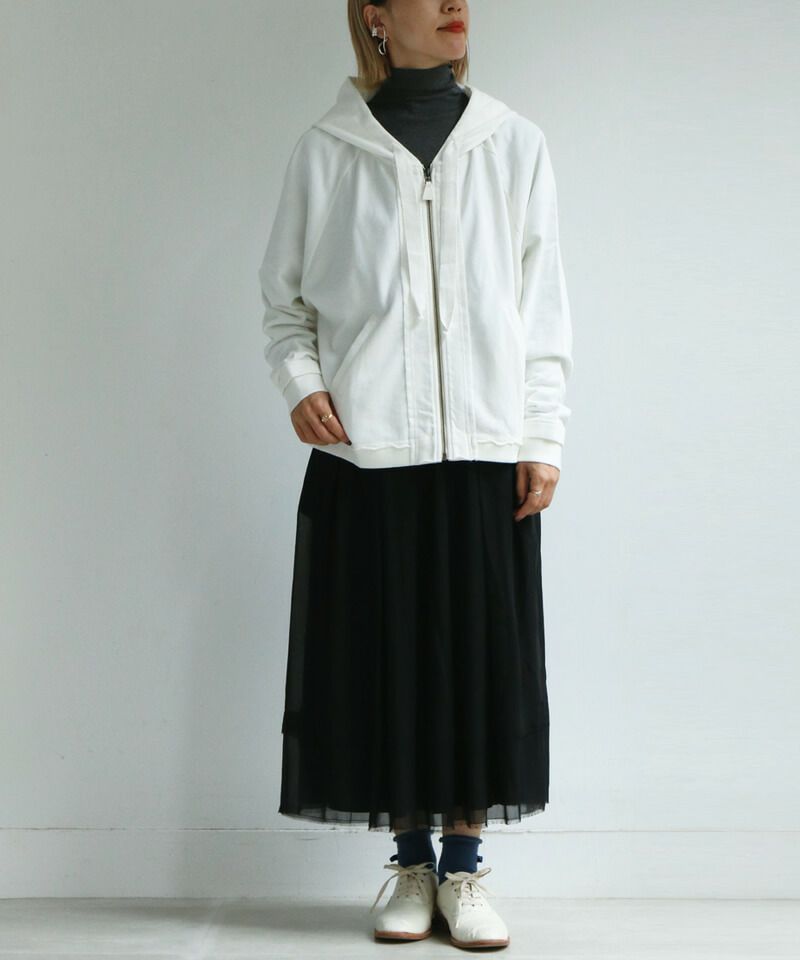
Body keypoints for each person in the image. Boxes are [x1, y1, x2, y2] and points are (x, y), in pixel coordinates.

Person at [258, 0, 573, 949]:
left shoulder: (514, 144)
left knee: (479, 661)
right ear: (374, 16)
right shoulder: (328, 151)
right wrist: (302, 384)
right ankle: (410, 864)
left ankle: (465, 870)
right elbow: (285, 305)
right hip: (371, 450)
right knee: (385, 655)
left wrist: (543, 435)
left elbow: (543, 306)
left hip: (484, 448)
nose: (453, 6)